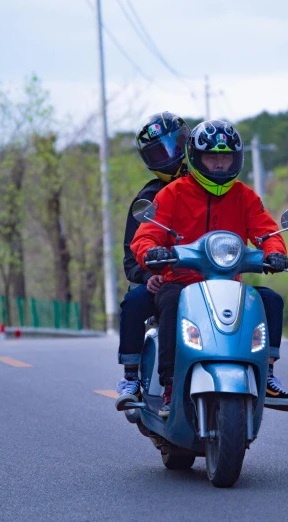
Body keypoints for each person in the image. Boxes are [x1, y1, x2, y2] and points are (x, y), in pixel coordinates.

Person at [131, 120, 288, 417]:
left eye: (226, 157)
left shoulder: (244, 195)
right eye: (212, 157)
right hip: (181, 282)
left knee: (270, 301)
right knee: (171, 302)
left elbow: (265, 232)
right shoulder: (172, 193)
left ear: (237, 158)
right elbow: (145, 235)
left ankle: (268, 374)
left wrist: (275, 253)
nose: (220, 164)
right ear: (196, 159)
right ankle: (171, 384)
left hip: (228, 284)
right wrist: (151, 252)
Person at [116, 112, 190, 405]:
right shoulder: (147, 199)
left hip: (207, 278)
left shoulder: (211, 188)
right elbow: (130, 259)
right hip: (163, 281)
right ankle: (131, 377)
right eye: (160, 151)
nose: (171, 155)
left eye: (176, 145)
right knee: (133, 303)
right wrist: (149, 277)